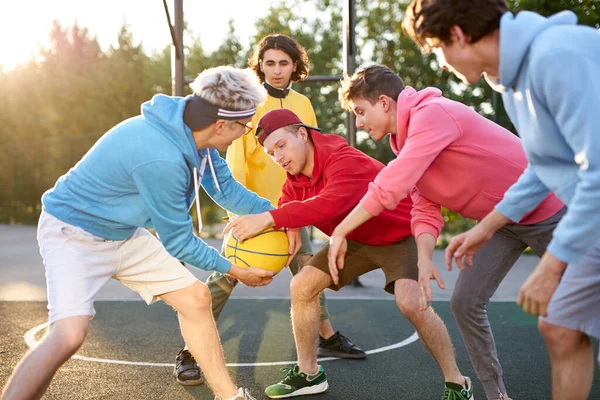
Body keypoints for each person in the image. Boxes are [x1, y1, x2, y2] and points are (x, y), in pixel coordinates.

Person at [1, 66, 278, 400]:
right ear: (222, 125)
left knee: (195, 298)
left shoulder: (199, 141)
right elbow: (179, 242)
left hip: (121, 232)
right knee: (68, 335)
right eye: (244, 127)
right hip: (72, 232)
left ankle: (228, 397)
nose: (243, 134)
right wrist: (237, 271)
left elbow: (228, 192)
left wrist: (280, 216)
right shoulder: (160, 157)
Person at [330, 64, 565, 400]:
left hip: (546, 207)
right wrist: (424, 258)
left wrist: (341, 230)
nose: (359, 122)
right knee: (465, 301)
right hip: (498, 223)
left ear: (384, 102)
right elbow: (424, 208)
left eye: (360, 111)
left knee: (584, 298)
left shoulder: (433, 115)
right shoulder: (407, 144)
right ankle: (496, 395)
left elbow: (390, 185)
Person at [402, 1, 600, 399]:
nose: (441, 63)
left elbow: (595, 169)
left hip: (583, 214)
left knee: (563, 325)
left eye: (438, 48)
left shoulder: (555, 55)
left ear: (458, 34)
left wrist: (551, 266)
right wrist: (486, 227)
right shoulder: (512, 83)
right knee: (560, 328)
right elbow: (543, 167)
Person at [225, 108, 473, 399]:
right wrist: (288, 223)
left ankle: (457, 382)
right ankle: (309, 374)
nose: (278, 157)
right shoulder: (296, 173)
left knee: (409, 303)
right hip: (354, 239)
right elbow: (289, 197)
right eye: (270, 153)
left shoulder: (345, 160)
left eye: (281, 145)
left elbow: (330, 203)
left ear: (302, 134)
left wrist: (271, 218)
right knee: (302, 286)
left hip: (399, 234)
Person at [173, 33, 365, 387]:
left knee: (309, 274)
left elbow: (312, 156)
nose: (276, 70)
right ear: (259, 67)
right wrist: (238, 216)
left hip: (296, 210)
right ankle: (190, 349)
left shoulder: (303, 104)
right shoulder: (250, 103)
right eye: (269, 63)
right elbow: (236, 162)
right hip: (255, 212)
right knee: (226, 277)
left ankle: (326, 335)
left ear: (296, 66)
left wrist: (315, 207)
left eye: (284, 63)